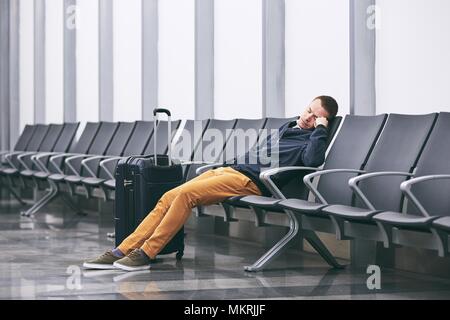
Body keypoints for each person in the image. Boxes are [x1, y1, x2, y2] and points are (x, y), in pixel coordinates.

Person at [83, 95, 339, 271]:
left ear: (322, 122)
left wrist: (320, 129)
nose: (308, 117)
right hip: (230, 169)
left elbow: (313, 161)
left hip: (249, 181)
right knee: (170, 195)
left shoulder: (312, 141)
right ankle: (121, 250)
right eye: (309, 110)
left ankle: (147, 253)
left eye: (316, 117)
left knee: (185, 197)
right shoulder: (289, 127)